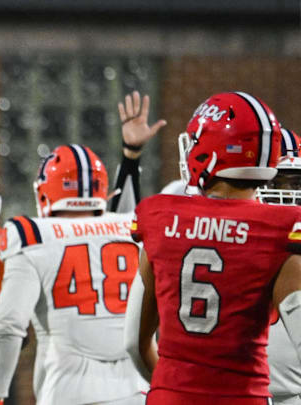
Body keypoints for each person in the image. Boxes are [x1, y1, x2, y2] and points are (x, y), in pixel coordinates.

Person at [0, 91, 164, 405]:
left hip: (69, 390)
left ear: (45, 193)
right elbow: (120, 217)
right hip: (140, 388)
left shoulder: (31, 233)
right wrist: (131, 154)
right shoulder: (131, 226)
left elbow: (8, 325)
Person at [124, 91, 301, 405]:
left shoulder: (160, 216)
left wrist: (170, 389)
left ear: (211, 150)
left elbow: (133, 343)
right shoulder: (282, 229)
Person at [257, 127, 301, 405]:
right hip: (240, 388)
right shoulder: (233, 232)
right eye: (276, 183)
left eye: (294, 183)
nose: (286, 194)